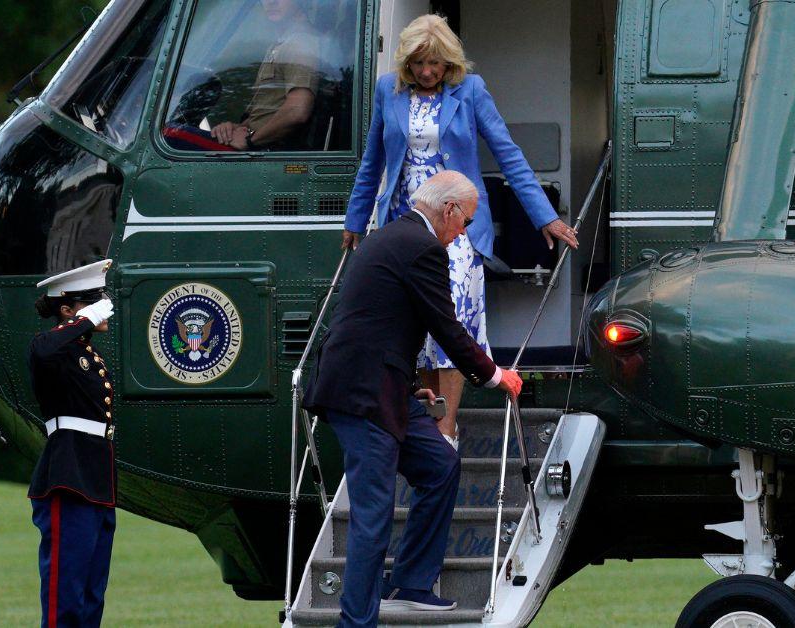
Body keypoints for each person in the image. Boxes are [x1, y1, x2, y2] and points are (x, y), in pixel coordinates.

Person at [342, 14, 578, 450]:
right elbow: (372, 160)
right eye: (416, 65)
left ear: (448, 60)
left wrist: (545, 217)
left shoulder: (470, 90)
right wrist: (355, 222)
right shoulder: (387, 89)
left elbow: (508, 154)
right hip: (405, 225)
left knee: (455, 320)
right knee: (418, 324)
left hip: (457, 228)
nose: (425, 72)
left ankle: (446, 429)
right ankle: (429, 424)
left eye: (433, 64)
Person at [304, 171, 524, 627]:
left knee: (440, 466)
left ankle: (412, 584)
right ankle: (356, 623)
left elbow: (375, 325)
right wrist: (495, 374)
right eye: (465, 222)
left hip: (381, 387)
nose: (463, 233)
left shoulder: (391, 238)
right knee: (372, 516)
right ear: (448, 211)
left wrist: (404, 386)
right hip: (363, 396)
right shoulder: (421, 247)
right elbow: (446, 326)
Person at [27, 259, 118, 628]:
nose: (104, 306)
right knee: (66, 591)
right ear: (67, 309)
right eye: (93, 300)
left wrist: (85, 320)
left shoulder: (85, 354)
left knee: (92, 592)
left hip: (95, 476)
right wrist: (83, 319)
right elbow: (44, 349)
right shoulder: (54, 350)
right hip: (69, 474)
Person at [165, 0, 319, 151]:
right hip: (256, 143)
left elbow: (297, 111)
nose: (270, 2)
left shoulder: (300, 44)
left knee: (168, 136)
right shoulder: (281, 44)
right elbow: (265, 113)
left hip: (263, 150)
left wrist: (250, 141)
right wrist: (236, 128)